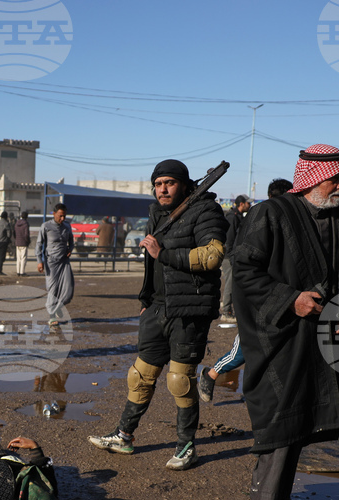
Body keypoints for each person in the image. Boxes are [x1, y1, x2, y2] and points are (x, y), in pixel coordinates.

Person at [231, 145, 339, 500]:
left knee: (306, 415)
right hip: (281, 333)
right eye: (334, 179)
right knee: (284, 414)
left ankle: (264, 490)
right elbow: (244, 269)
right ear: (310, 179)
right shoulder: (271, 213)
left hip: (325, 335)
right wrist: (292, 300)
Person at [88, 159, 227, 471]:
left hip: (190, 310)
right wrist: (146, 298)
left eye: (170, 183)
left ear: (184, 184)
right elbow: (152, 265)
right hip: (157, 308)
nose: (163, 189)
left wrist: (163, 254)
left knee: (180, 381)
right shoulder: (157, 213)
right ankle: (123, 436)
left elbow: (212, 255)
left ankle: (186, 446)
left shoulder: (206, 210)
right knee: (139, 377)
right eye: (158, 183)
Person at [198, 179, 293, 403]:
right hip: (256, 298)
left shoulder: (287, 223)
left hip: (281, 297)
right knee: (243, 349)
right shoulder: (259, 220)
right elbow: (243, 260)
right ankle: (211, 375)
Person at [35, 203, 75, 326]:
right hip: (50, 263)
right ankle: (52, 316)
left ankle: (57, 307)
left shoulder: (67, 226)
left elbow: (71, 242)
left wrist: (70, 249)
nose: (62, 219)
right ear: (54, 214)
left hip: (64, 262)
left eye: (64, 216)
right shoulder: (46, 226)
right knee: (53, 290)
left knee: (68, 290)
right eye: (60, 216)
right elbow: (39, 245)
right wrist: (39, 261)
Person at [219, 194, 251, 323]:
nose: (249, 205)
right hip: (228, 256)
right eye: (248, 203)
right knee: (230, 283)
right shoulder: (232, 218)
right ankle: (226, 312)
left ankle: (227, 308)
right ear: (241, 204)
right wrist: (232, 257)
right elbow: (229, 239)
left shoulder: (237, 217)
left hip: (231, 255)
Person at [0, 210, 13, 275]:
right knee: (2, 256)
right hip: (3, 242)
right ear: (6, 217)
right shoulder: (6, 224)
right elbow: (9, 234)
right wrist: (8, 239)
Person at [13, 210, 31, 276]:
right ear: (26, 217)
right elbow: (26, 234)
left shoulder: (16, 223)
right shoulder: (26, 224)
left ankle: (18, 271)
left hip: (17, 242)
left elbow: (14, 233)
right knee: (23, 258)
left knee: (18, 258)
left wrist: (16, 239)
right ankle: (22, 272)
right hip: (23, 243)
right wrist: (28, 241)